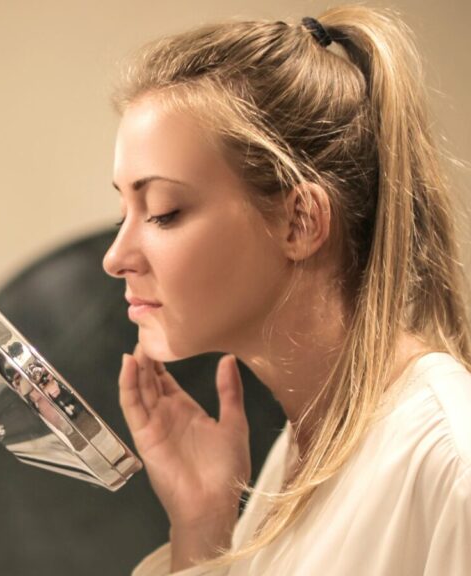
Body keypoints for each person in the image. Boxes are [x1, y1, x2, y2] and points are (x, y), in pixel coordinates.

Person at [101, 5, 471, 574]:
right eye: (125, 208)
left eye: (163, 212)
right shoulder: (303, 450)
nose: (115, 258)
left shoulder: (450, 459)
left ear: (300, 222)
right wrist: (202, 525)